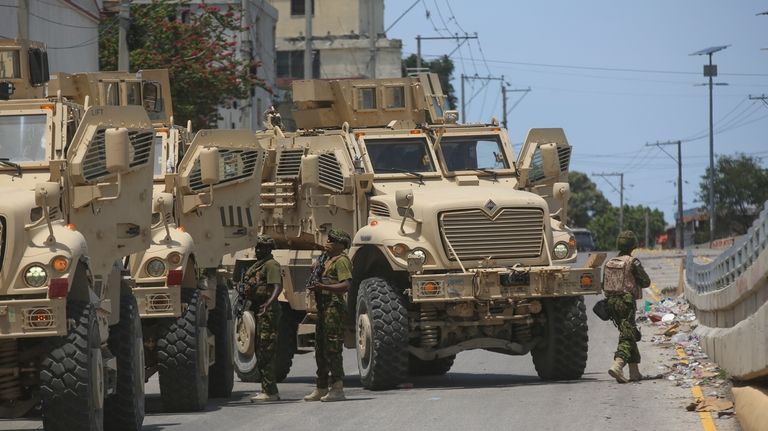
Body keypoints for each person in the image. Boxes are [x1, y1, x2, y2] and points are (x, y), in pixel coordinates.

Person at [304, 228, 353, 402]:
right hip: (323, 307)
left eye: (332, 240)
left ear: (341, 245)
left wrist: (323, 287)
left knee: (333, 348)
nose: (328, 241)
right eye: (329, 238)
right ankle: (321, 386)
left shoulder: (341, 261)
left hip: (334, 307)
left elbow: (346, 285)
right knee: (320, 348)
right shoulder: (325, 259)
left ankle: (337, 388)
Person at [605, 230, 651, 383]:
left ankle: (634, 372)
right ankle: (618, 365)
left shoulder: (610, 262)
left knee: (629, 332)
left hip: (611, 303)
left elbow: (604, 284)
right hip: (626, 302)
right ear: (633, 245)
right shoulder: (632, 262)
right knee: (627, 335)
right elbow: (646, 282)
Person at [245, 235, 283, 402]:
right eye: (257, 247)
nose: (257, 250)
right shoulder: (258, 265)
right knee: (260, 351)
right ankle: (267, 389)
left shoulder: (271, 265)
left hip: (268, 313)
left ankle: (270, 392)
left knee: (266, 352)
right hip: (260, 310)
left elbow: (277, 286)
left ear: (268, 249)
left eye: (261, 248)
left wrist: (268, 303)